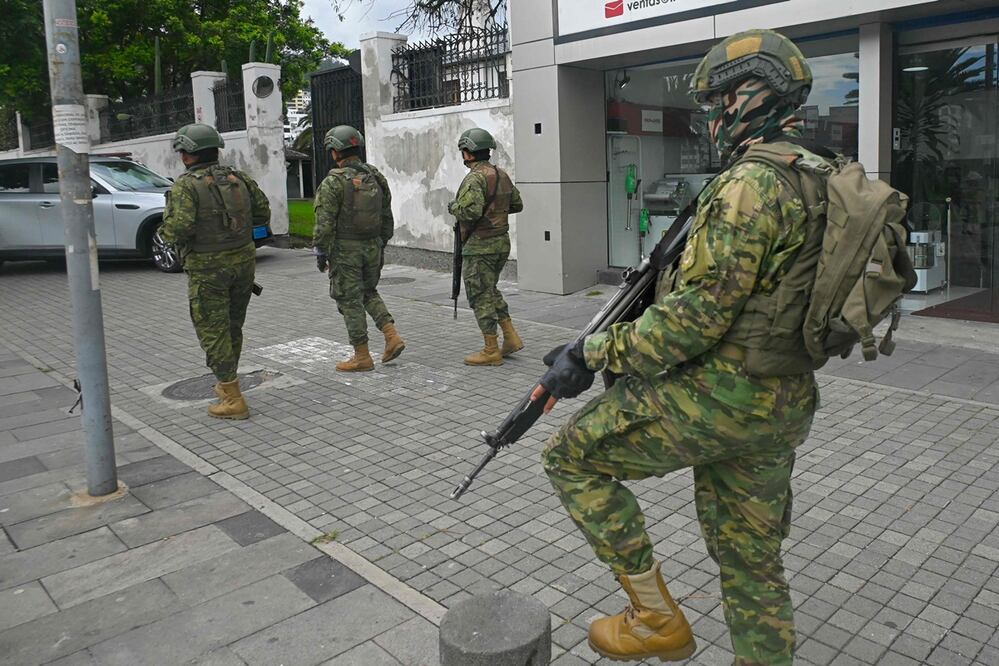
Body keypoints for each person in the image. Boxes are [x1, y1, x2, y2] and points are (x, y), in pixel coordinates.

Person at [536, 29, 821, 665]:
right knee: (752, 561)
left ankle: (655, 618)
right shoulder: (820, 177)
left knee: (569, 458)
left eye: (717, 102)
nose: (711, 118)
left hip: (717, 397)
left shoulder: (749, 186)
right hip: (784, 399)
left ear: (751, 96)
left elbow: (693, 320)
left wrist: (592, 353)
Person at [160, 123, 270, 420]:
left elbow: (178, 228)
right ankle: (226, 384)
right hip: (244, 263)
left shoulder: (186, 185)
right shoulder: (238, 178)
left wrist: (165, 230)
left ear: (187, 154)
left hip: (208, 269)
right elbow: (262, 213)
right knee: (233, 326)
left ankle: (233, 399)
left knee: (212, 330)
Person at [313, 125, 404, 372]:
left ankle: (362, 356)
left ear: (334, 151)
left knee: (350, 301)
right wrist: (379, 243)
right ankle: (391, 335)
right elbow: (387, 216)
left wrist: (321, 252)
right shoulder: (376, 176)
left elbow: (324, 224)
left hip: (345, 251)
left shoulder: (333, 182)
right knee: (368, 292)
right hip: (373, 246)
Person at [448, 128, 524, 366]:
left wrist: (453, 207)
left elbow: (469, 212)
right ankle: (510, 337)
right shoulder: (500, 174)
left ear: (468, 152)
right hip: (500, 242)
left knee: (480, 295)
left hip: (480, 247)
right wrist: (494, 214)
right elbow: (517, 204)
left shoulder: (475, 178)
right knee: (489, 290)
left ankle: (491, 349)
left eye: (463, 150)